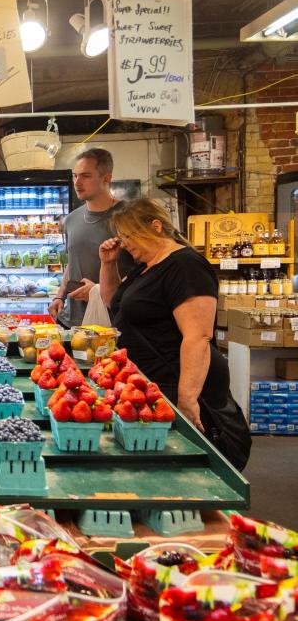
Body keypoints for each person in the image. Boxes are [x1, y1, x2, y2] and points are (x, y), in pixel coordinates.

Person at [98, 198, 250, 469]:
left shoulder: (186, 266)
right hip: (152, 385)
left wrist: (187, 398)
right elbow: (114, 302)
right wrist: (108, 264)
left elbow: (198, 336)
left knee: (188, 468)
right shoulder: (145, 267)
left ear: (156, 227)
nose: (125, 243)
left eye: (129, 235)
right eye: (121, 237)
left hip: (176, 383)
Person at [49, 148, 134, 327]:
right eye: (74, 176)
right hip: (70, 321)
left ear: (106, 178)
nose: (77, 182)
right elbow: (73, 261)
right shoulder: (71, 219)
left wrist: (98, 291)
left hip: (111, 322)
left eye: (86, 176)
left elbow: (147, 268)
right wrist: (60, 295)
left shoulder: (129, 217)